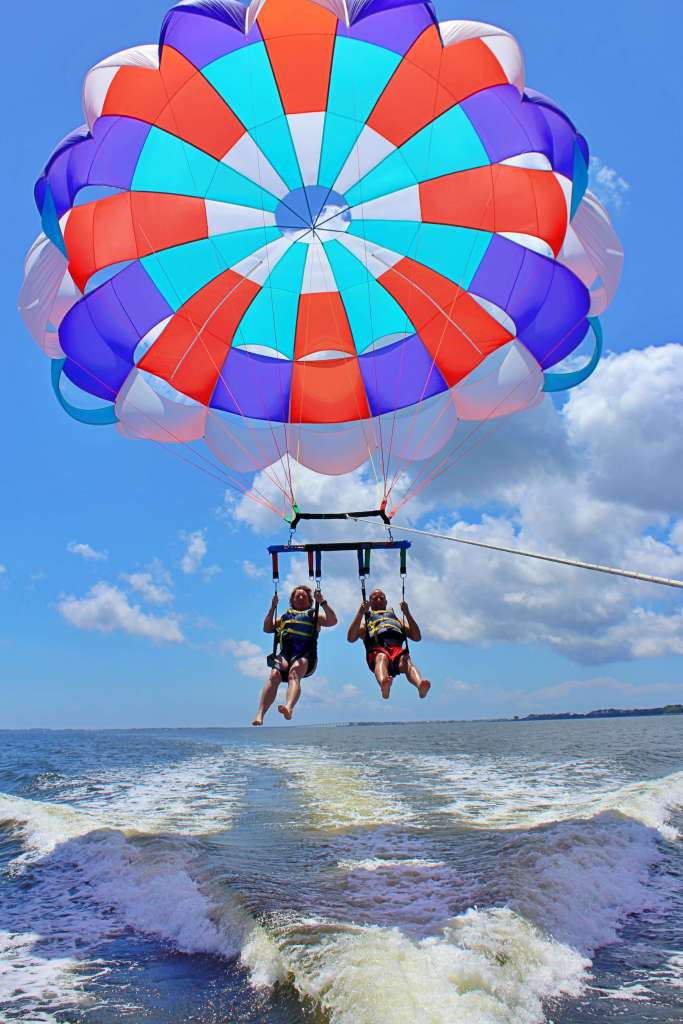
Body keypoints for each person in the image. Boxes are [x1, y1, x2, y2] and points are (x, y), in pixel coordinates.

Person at [252, 584, 337, 725]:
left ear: (310, 601)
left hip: (305, 655)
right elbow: (267, 628)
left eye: (304, 595)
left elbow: (332, 621)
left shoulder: (314, 615)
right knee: (274, 675)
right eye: (297, 595)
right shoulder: (284, 617)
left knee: (294, 672)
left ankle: (289, 707)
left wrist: (322, 601)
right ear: (292, 599)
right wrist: (273, 607)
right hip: (285, 654)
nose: (301, 597)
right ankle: (260, 714)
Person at [347, 588, 431, 701]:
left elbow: (417, 637)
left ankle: (420, 685)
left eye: (381, 597)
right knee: (382, 657)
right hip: (378, 651)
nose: (378, 599)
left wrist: (407, 613)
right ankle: (384, 684)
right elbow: (351, 638)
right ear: (370, 603)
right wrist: (360, 613)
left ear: (386, 602)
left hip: (397, 652)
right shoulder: (366, 622)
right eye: (374, 597)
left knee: (406, 660)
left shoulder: (398, 620)